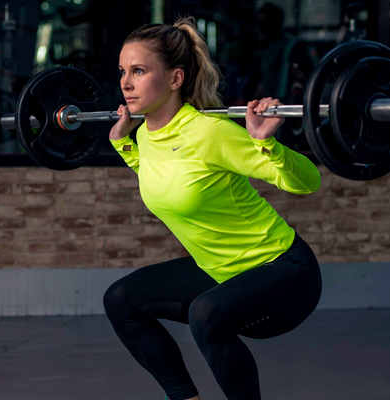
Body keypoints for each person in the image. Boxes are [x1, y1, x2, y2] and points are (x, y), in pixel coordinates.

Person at [102, 17, 323, 400]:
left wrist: (265, 144)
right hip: (220, 272)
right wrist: (123, 145)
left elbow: (306, 182)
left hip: (284, 273)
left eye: (138, 71)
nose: (125, 82)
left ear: (175, 79)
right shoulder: (146, 136)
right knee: (121, 300)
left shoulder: (210, 133)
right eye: (123, 71)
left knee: (206, 314)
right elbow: (165, 178)